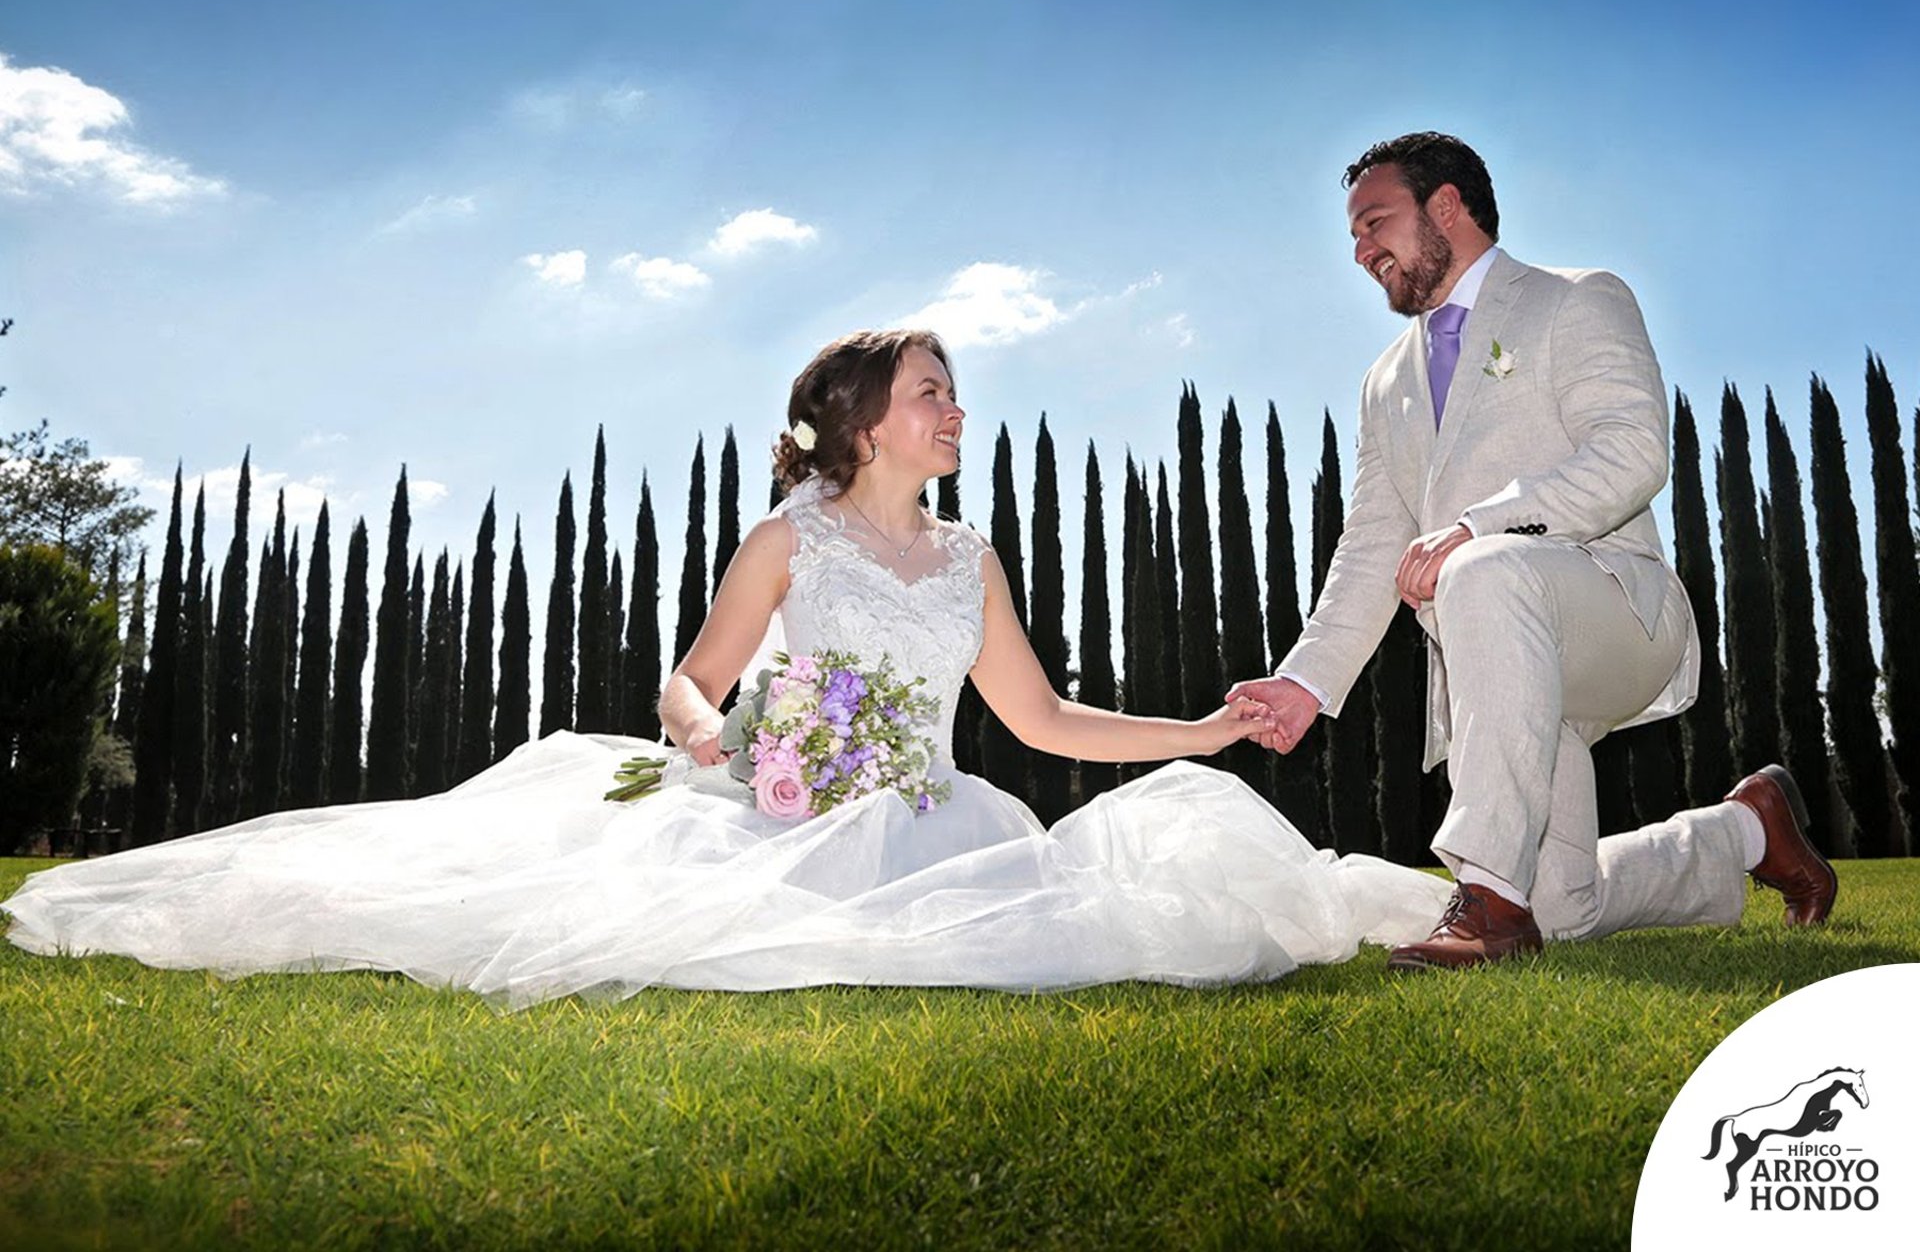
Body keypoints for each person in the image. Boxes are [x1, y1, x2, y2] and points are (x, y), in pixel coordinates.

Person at [4, 330, 1448, 1005]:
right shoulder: (786, 541)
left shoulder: (971, 561)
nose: (958, 408)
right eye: (934, 390)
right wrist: (708, 736)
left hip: (941, 815)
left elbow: (1041, 717)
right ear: (866, 419)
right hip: (776, 805)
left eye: (955, 391)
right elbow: (689, 683)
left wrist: (1206, 726)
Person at [1229, 132, 1837, 972]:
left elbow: (1633, 452)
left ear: (1446, 206)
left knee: (1480, 568)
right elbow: (1374, 542)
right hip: (1499, 672)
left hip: (1614, 617)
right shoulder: (1383, 382)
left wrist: (1480, 525)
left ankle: (1485, 904)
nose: (1362, 251)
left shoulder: (1576, 299)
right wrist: (1307, 681)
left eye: (1375, 223)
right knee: (1565, 908)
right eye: (1355, 238)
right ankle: (1745, 830)